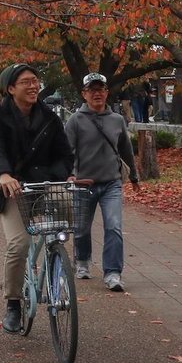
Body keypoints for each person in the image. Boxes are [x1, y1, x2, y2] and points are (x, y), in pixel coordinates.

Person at [0, 63, 75, 333]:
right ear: (11, 89)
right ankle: (13, 302)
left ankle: (57, 256)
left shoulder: (50, 118)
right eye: (26, 82)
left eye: (35, 81)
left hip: (44, 185)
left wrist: (61, 175)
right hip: (13, 190)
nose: (33, 86)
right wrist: (3, 175)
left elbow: (65, 155)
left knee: (69, 207)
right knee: (19, 245)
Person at [64, 73, 140, 292]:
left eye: (101, 89)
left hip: (111, 184)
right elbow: (66, 151)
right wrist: (69, 173)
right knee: (81, 229)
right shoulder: (75, 120)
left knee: (114, 226)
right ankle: (83, 260)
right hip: (83, 183)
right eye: (92, 90)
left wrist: (134, 176)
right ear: (84, 94)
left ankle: (113, 273)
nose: (97, 94)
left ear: (107, 92)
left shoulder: (116, 120)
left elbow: (126, 149)